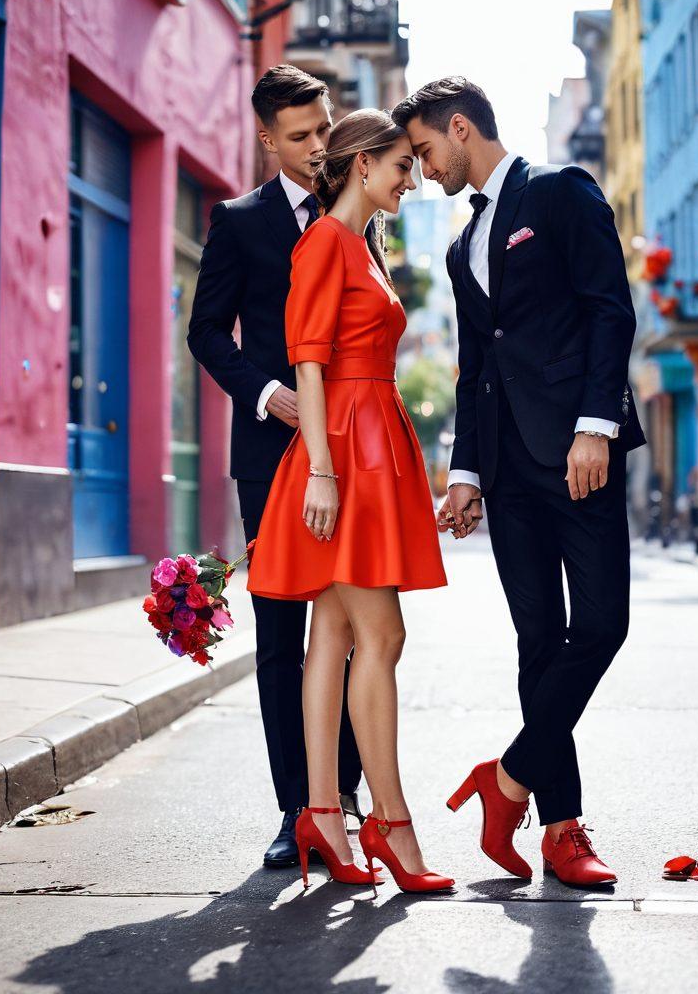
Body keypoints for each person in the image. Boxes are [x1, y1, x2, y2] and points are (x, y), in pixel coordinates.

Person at [393, 77, 647, 888]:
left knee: (602, 626)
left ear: (461, 128)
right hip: (506, 471)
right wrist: (465, 472)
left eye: (428, 152)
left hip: (578, 456)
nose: (426, 171)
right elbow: (477, 369)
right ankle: (561, 829)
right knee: (537, 644)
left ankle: (505, 782)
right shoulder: (460, 246)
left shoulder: (562, 192)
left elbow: (611, 309)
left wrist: (595, 427)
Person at [246, 108, 453, 894]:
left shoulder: (365, 246)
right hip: (344, 453)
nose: (412, 177)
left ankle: (324, 815)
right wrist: (325, 473)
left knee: (333, 635)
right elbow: (307, 361)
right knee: (383, 635)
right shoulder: (326, 243)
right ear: (362, 164)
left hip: (371, 443)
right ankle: (391, 824)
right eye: (402, 164)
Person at [187, 65, 364, 870]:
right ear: (267, 138)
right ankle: (296, 808)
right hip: (269, 457)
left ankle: (346, 798)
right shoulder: (238, 220)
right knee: (282, 638)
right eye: (301, 136)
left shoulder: (358, 211)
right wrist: (266, 394)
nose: (320, 146)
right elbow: (206, 332)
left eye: (324, 128)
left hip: (353, 460)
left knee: (359, 628)